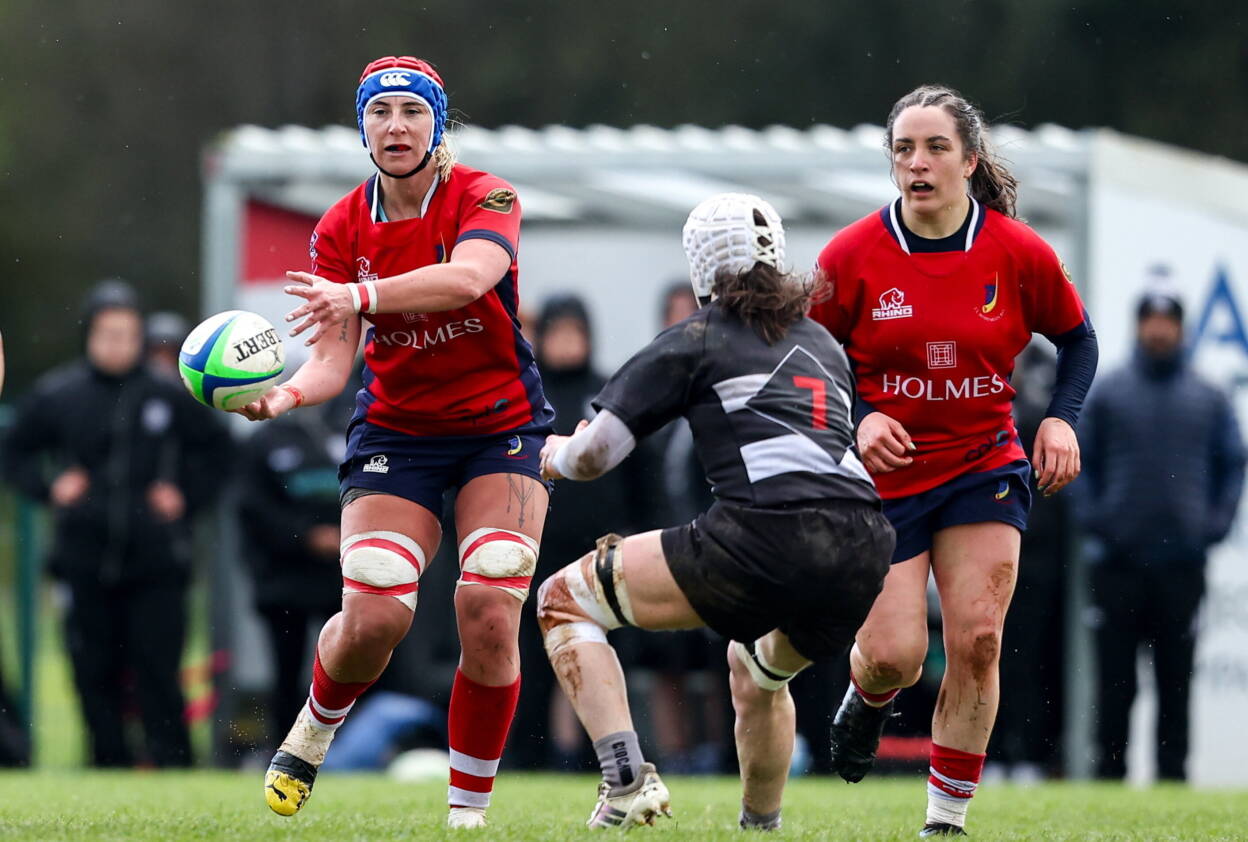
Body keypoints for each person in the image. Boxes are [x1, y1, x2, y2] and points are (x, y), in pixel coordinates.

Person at [238, 56, 554, 829]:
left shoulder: (488, 194)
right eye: (380, 114)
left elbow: (469, 279)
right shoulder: (340, 227)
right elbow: (332, 360)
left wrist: (362, 293)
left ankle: (466, 814)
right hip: (398, 434)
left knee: (489, 601)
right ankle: (313, 728)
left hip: (500, 427)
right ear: (363, 128)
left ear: (437, 123)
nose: (396, 126)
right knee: (376, 613)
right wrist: (282, 395)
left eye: (413, 111)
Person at [536, 193, 896, 830]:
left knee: (562, 602)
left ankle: (624, 780)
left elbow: (596, 455)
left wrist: (554, 455)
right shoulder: (822, 343)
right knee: (754, 669)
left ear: (699, 265)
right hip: (863, 546)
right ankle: (761, 827)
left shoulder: (696, 338)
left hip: (767, 533)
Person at [808, 85, 1098, 836]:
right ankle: (864, 698)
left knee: (977, 637)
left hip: (982, 465)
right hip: (884, 483)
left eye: (935, 147)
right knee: (896, 657)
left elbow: (1078, 340)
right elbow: (804, 357)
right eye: (904, 148)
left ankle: (945, 821)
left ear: (969, 160)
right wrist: (861, 418)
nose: (918, 162)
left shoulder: (1015, 250)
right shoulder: (850, 254)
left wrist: (1061, 422)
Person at [3, 280, 229, 767]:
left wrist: (184, 496)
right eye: (107, 333)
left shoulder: (171, 394)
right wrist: (51, 489)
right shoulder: (58, 394)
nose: (116, 344)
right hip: (82, 559)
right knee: (93, 671)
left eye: (127, 334)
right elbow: (15, 453)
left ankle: (175, 769)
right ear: (90, 336)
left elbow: (219, 454)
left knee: (157, 670)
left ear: (140, 337)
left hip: (158, 561)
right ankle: (107, 763)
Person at [1078, 284, 1245, 782]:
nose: (1158, 328)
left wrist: (1211, 528)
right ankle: (1109, 776)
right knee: (1114, 681)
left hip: (1182, 567)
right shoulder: (1109, 390)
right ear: (1138, 325)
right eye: (1150, 319)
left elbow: (1233, 465)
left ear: (1180, 326)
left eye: (1167, 320)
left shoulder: (1209, 395)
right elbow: (1078, 464)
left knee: (1177, 678)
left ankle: (1173, 777)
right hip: (1118, 565)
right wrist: (1099, 521)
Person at [237, 386, 354, 750]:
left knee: (349, 666)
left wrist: (345, 535)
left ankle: (347, 749)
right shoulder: (263, 441)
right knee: (286, 670)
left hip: (337, 577)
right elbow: (251, 508)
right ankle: (285, 748)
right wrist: (304, 536)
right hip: (283, 579)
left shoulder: (344, 430)